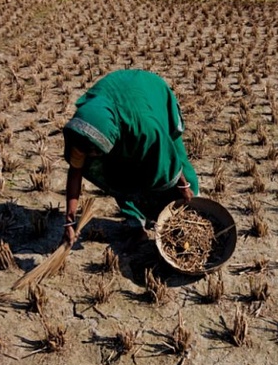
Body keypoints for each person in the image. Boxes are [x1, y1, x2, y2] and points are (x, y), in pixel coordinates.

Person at [61, 69, 199, 246]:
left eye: (95, 152)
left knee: (171, 160)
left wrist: (183, 185)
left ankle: (189, 208)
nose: (93, 157)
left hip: (149, 96)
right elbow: (75, 172)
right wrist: (69, 221)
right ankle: (136, 223)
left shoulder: (147, 128)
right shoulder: (84, 131)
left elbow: (169, 157)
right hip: (118, 102)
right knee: (119, 174)